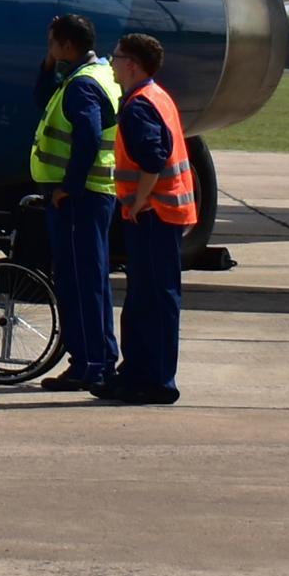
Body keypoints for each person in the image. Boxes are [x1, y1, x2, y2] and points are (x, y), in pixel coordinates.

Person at [31, 13, 121, 397]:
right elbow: (42, 99)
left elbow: (88, 137)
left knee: (79, 282)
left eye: (52, 42)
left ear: (67, 45)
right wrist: (49, 63)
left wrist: (68, 187)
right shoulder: (94, 75)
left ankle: (90, 364)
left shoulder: (82, 86)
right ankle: (97, 359)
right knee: (91, 280)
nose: (49, 48)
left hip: (79, 199)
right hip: (94, 194)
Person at [103, 33, 193, 406]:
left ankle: (156, 380)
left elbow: (153, 158)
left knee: (153, 298)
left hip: (154, 213)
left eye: (116, 56)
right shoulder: (157, 96)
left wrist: (140, 200)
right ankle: (136, 373)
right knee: (144, 297)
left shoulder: (139, 106)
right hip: (164, 212)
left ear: (132, 65)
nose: (111, 62)